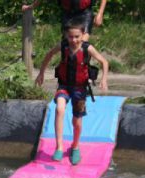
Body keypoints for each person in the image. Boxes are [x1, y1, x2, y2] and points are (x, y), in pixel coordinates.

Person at [35, 20, 108, 165]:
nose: (73, 40)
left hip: (80, 89)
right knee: (59, 109)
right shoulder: (63, 46)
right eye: (70, 37)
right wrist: (41, 73)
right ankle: (59, 147)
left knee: (77, 122)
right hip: (64, 86)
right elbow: (48, 55)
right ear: (66, 36)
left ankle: (75, 146)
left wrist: (104, 79)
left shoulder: (88, 48)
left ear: (83, 35)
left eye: (77, 36)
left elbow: (104, 62)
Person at [22, 0, 107, 41]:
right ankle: (66, 73)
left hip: (84, 13)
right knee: (67, 44)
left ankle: (83, 70)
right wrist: (31, 6)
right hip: (68, 14)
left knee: (83, 44)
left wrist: (100, 13)